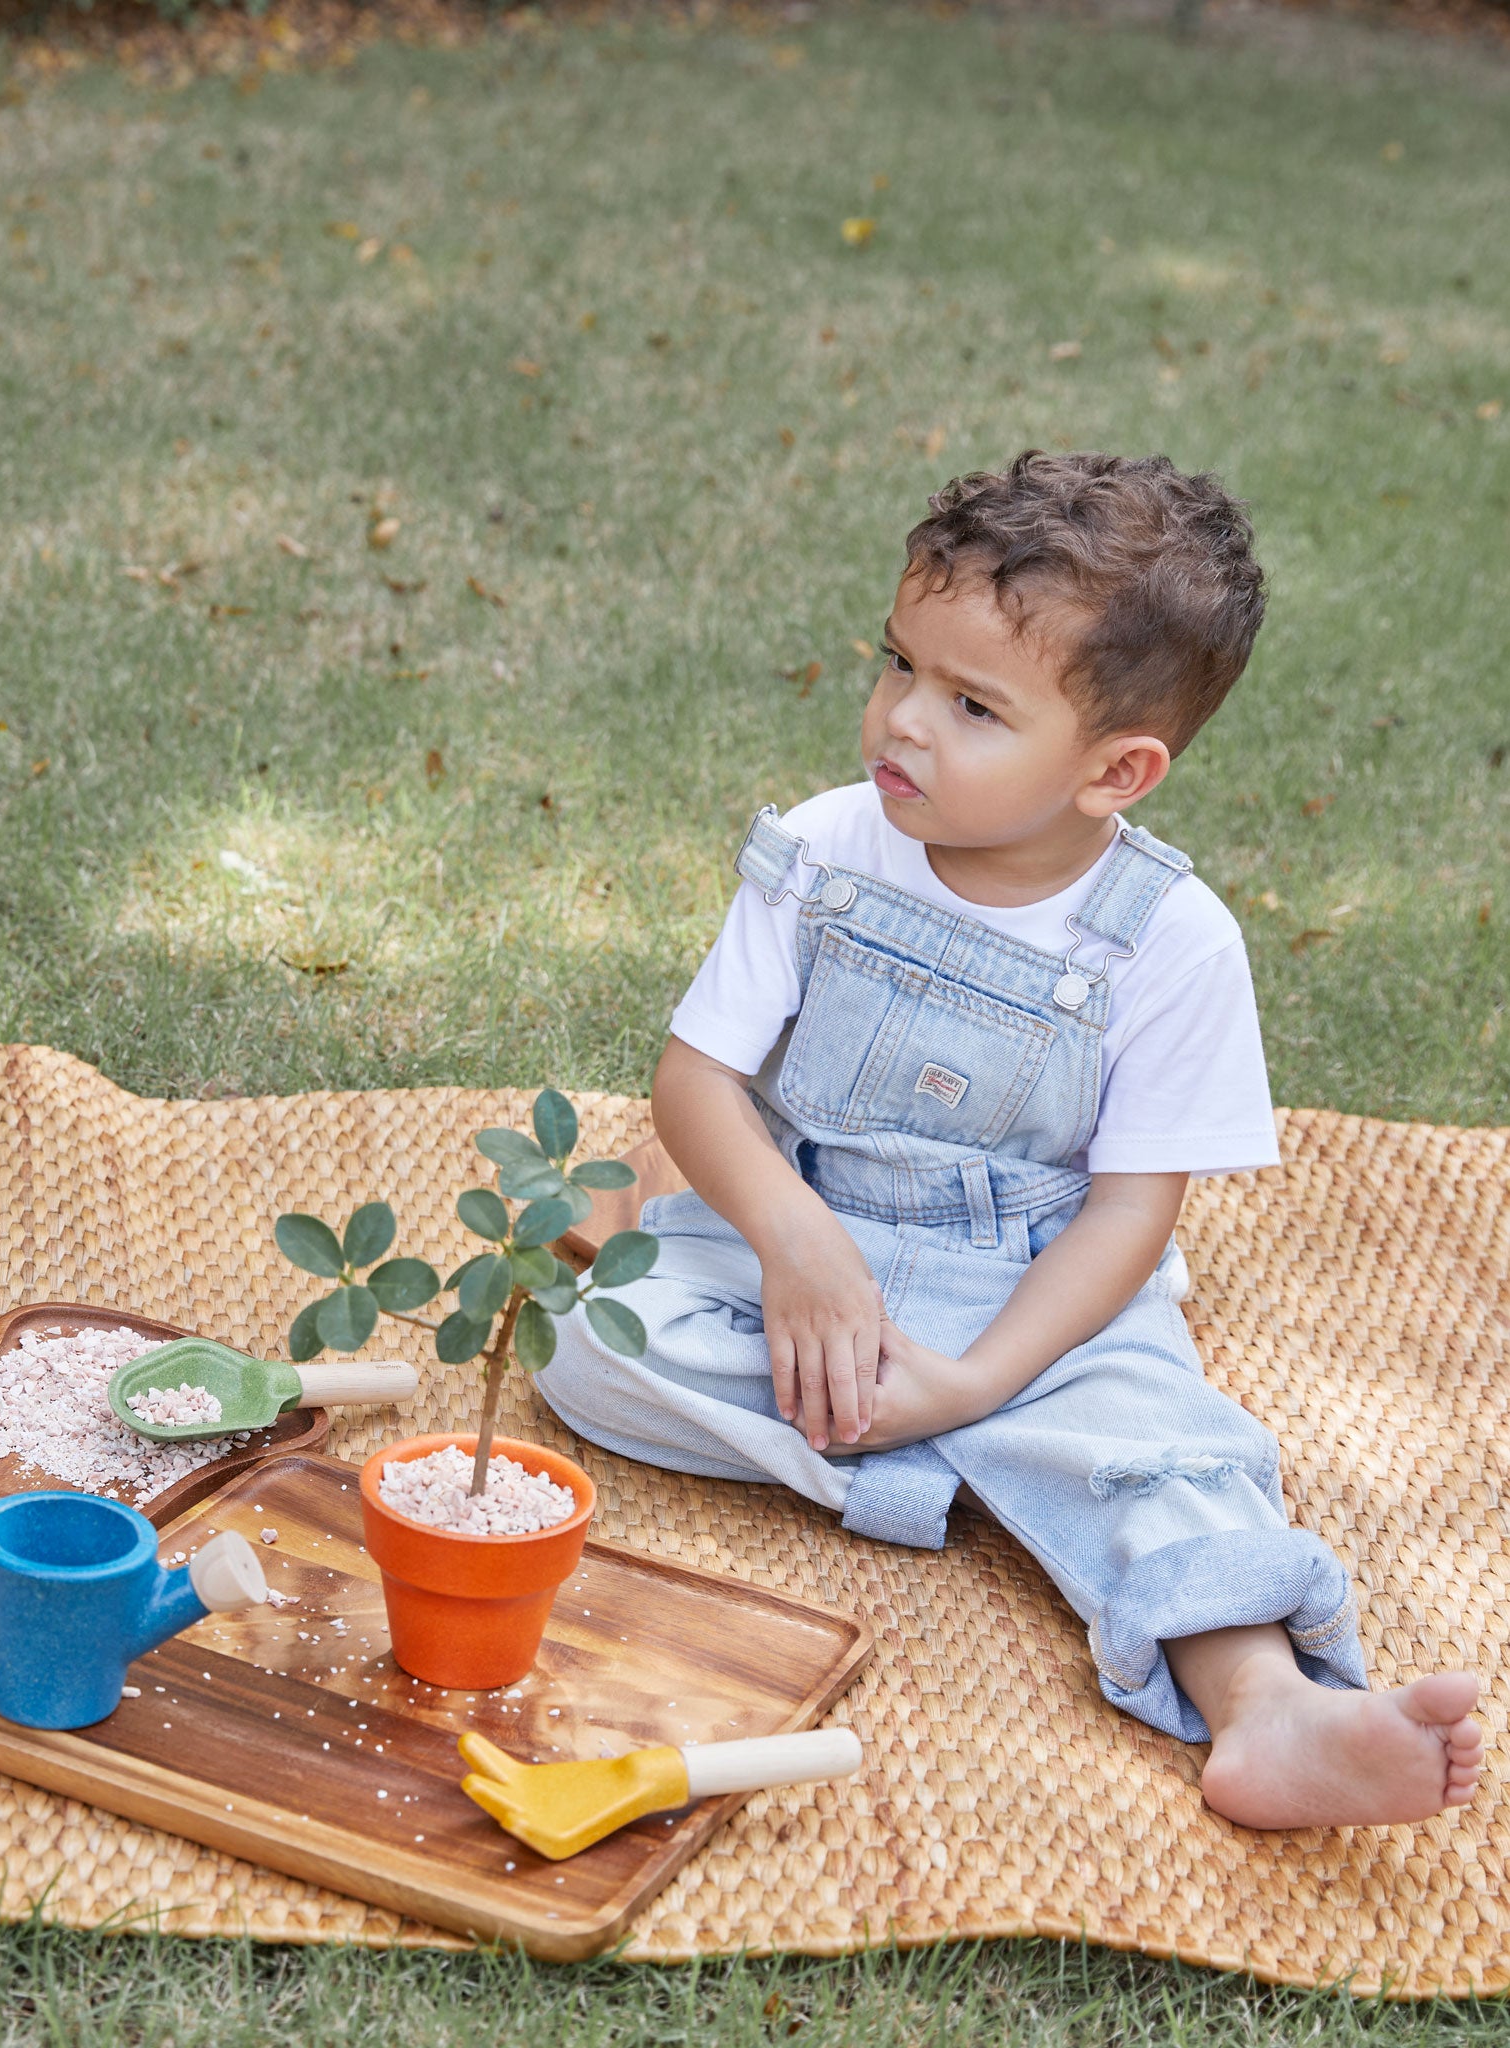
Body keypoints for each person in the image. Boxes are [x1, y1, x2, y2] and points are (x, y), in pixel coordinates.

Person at [537, 451, 1483, 1829]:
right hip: (804, 1228)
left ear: (1116, 770)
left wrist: (979, 1377)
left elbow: (1125, 1219)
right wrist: (797, 1247)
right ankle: (1013, 1471)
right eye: (897, 665)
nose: (901, 723)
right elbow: (696, 1084)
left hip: (1037, 1289)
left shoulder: (1170, 941)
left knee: (1171, 1455)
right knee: (589, 1351)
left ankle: (1267, 1709)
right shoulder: (824, 848)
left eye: (972, 705)